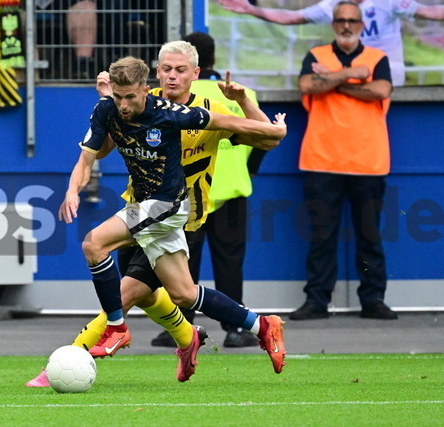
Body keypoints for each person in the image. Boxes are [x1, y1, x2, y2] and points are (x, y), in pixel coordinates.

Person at [27, 43, 288, 388]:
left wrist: (243, 101)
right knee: (174, 294)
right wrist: (110, 103)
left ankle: (67, 362)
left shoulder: (203, 109)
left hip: (176, 214)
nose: (172, 76)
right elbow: (101, 149)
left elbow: (266, 140)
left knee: (120, 289)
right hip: (138, 209)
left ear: (195, 74)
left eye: (180, 70)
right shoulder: (136, 100)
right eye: (166, 69)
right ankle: (227, 330)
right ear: (156, 72)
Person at [150, 32, 265, 349]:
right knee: (230, 261)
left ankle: (180, 327)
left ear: (194, 66)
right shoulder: (239, 93)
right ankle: (236, 327)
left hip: (188, 191)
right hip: (230, 188)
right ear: (213, 58)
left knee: (182, 261)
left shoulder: (174, 94)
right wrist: (247, 171)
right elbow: (261, 138)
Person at [290, 1, 398, 321]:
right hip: (321, 160)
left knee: (369, 236)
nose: (346, 26)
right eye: (340, 20)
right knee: (321, 237)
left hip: (368, 161)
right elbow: (307, 85)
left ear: (362, 25)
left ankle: (373, 300)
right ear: (333, 24)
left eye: (352, 20)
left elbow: (380, 90)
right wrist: (351, 75)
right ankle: (317, 300)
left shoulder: (377, 58)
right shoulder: (316, 55)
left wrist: (332, 82)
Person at [219, 0, 444, 86]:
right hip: (348, 73)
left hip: (388, 72)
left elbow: (431, 12)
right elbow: (292, 17)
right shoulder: (331, 6)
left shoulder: (389, 2)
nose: (347, 25)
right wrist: (251, 10)